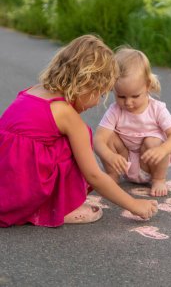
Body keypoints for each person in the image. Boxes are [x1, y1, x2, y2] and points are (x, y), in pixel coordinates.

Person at [0, 35, 158, 228]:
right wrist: (135, 205)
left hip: (6, 184)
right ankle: (57, 208)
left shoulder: (31, 91)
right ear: (85, 85)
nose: (98, 102)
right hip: (20, 192)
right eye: (100, 94)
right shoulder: (66, 115)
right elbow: (93, 175)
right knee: (74, 144)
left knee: (57, 142)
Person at [94, 47, 171, 197]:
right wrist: (110, 156)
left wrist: (163, 150)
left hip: (148, 164)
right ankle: (112, 176)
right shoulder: (115, 110)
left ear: (147, 85)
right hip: (124, 163)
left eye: (135, 96)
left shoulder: (157, 109)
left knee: (153, 140)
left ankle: (159, 179)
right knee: (109, 136)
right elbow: (98, 140)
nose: (128, 103)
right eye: (121, 96)